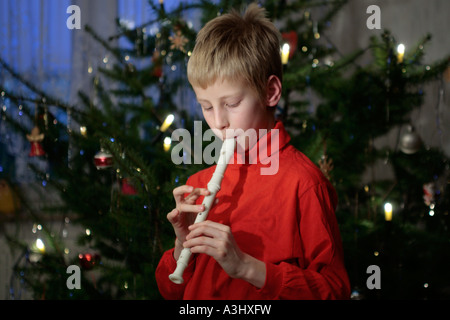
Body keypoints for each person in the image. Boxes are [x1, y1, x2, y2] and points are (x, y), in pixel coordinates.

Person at [155, 3, 350, 300]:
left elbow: (335, 292)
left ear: (270, 92)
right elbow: (171, 291)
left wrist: (247, 267)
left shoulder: (304, 184)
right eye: (206, 107)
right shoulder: (199, 184)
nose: (218, 122)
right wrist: (183, 247)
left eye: (231, 104)